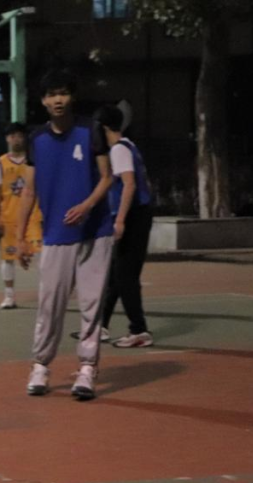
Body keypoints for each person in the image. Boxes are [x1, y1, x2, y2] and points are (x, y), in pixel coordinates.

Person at [17, 69, 114, 401]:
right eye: (51, 94)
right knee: (50, 303)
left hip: (95, 232)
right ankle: (41, 365)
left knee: (91, 303)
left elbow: (107, 177)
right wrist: (20, 238)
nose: (58, 100)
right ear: (43, 101)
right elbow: (29, 191)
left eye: (63, 93)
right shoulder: (36, 140)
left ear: (72, 97)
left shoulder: (91, 131)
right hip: (56, 234)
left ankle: (87, 368)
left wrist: (87, 205)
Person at [96, 104, 155, 348]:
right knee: (115, 274)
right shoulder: (128, 145)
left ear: (103, 128)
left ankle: (139, 330)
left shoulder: (119, 150)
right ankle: (101, 326)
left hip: (133, 216)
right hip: (138, 214)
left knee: (125, 276)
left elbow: (129, 184)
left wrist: (120, 219)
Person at [0, 122, 43, 309]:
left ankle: (45, 293)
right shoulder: (0, 163)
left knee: (41, 255)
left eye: (19, 135)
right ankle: (9, 296)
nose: (16, 139)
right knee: (8, 257)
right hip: (9, 217)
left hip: (33, 216)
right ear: (7, 139)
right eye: (12, 136)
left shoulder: (33, 161)